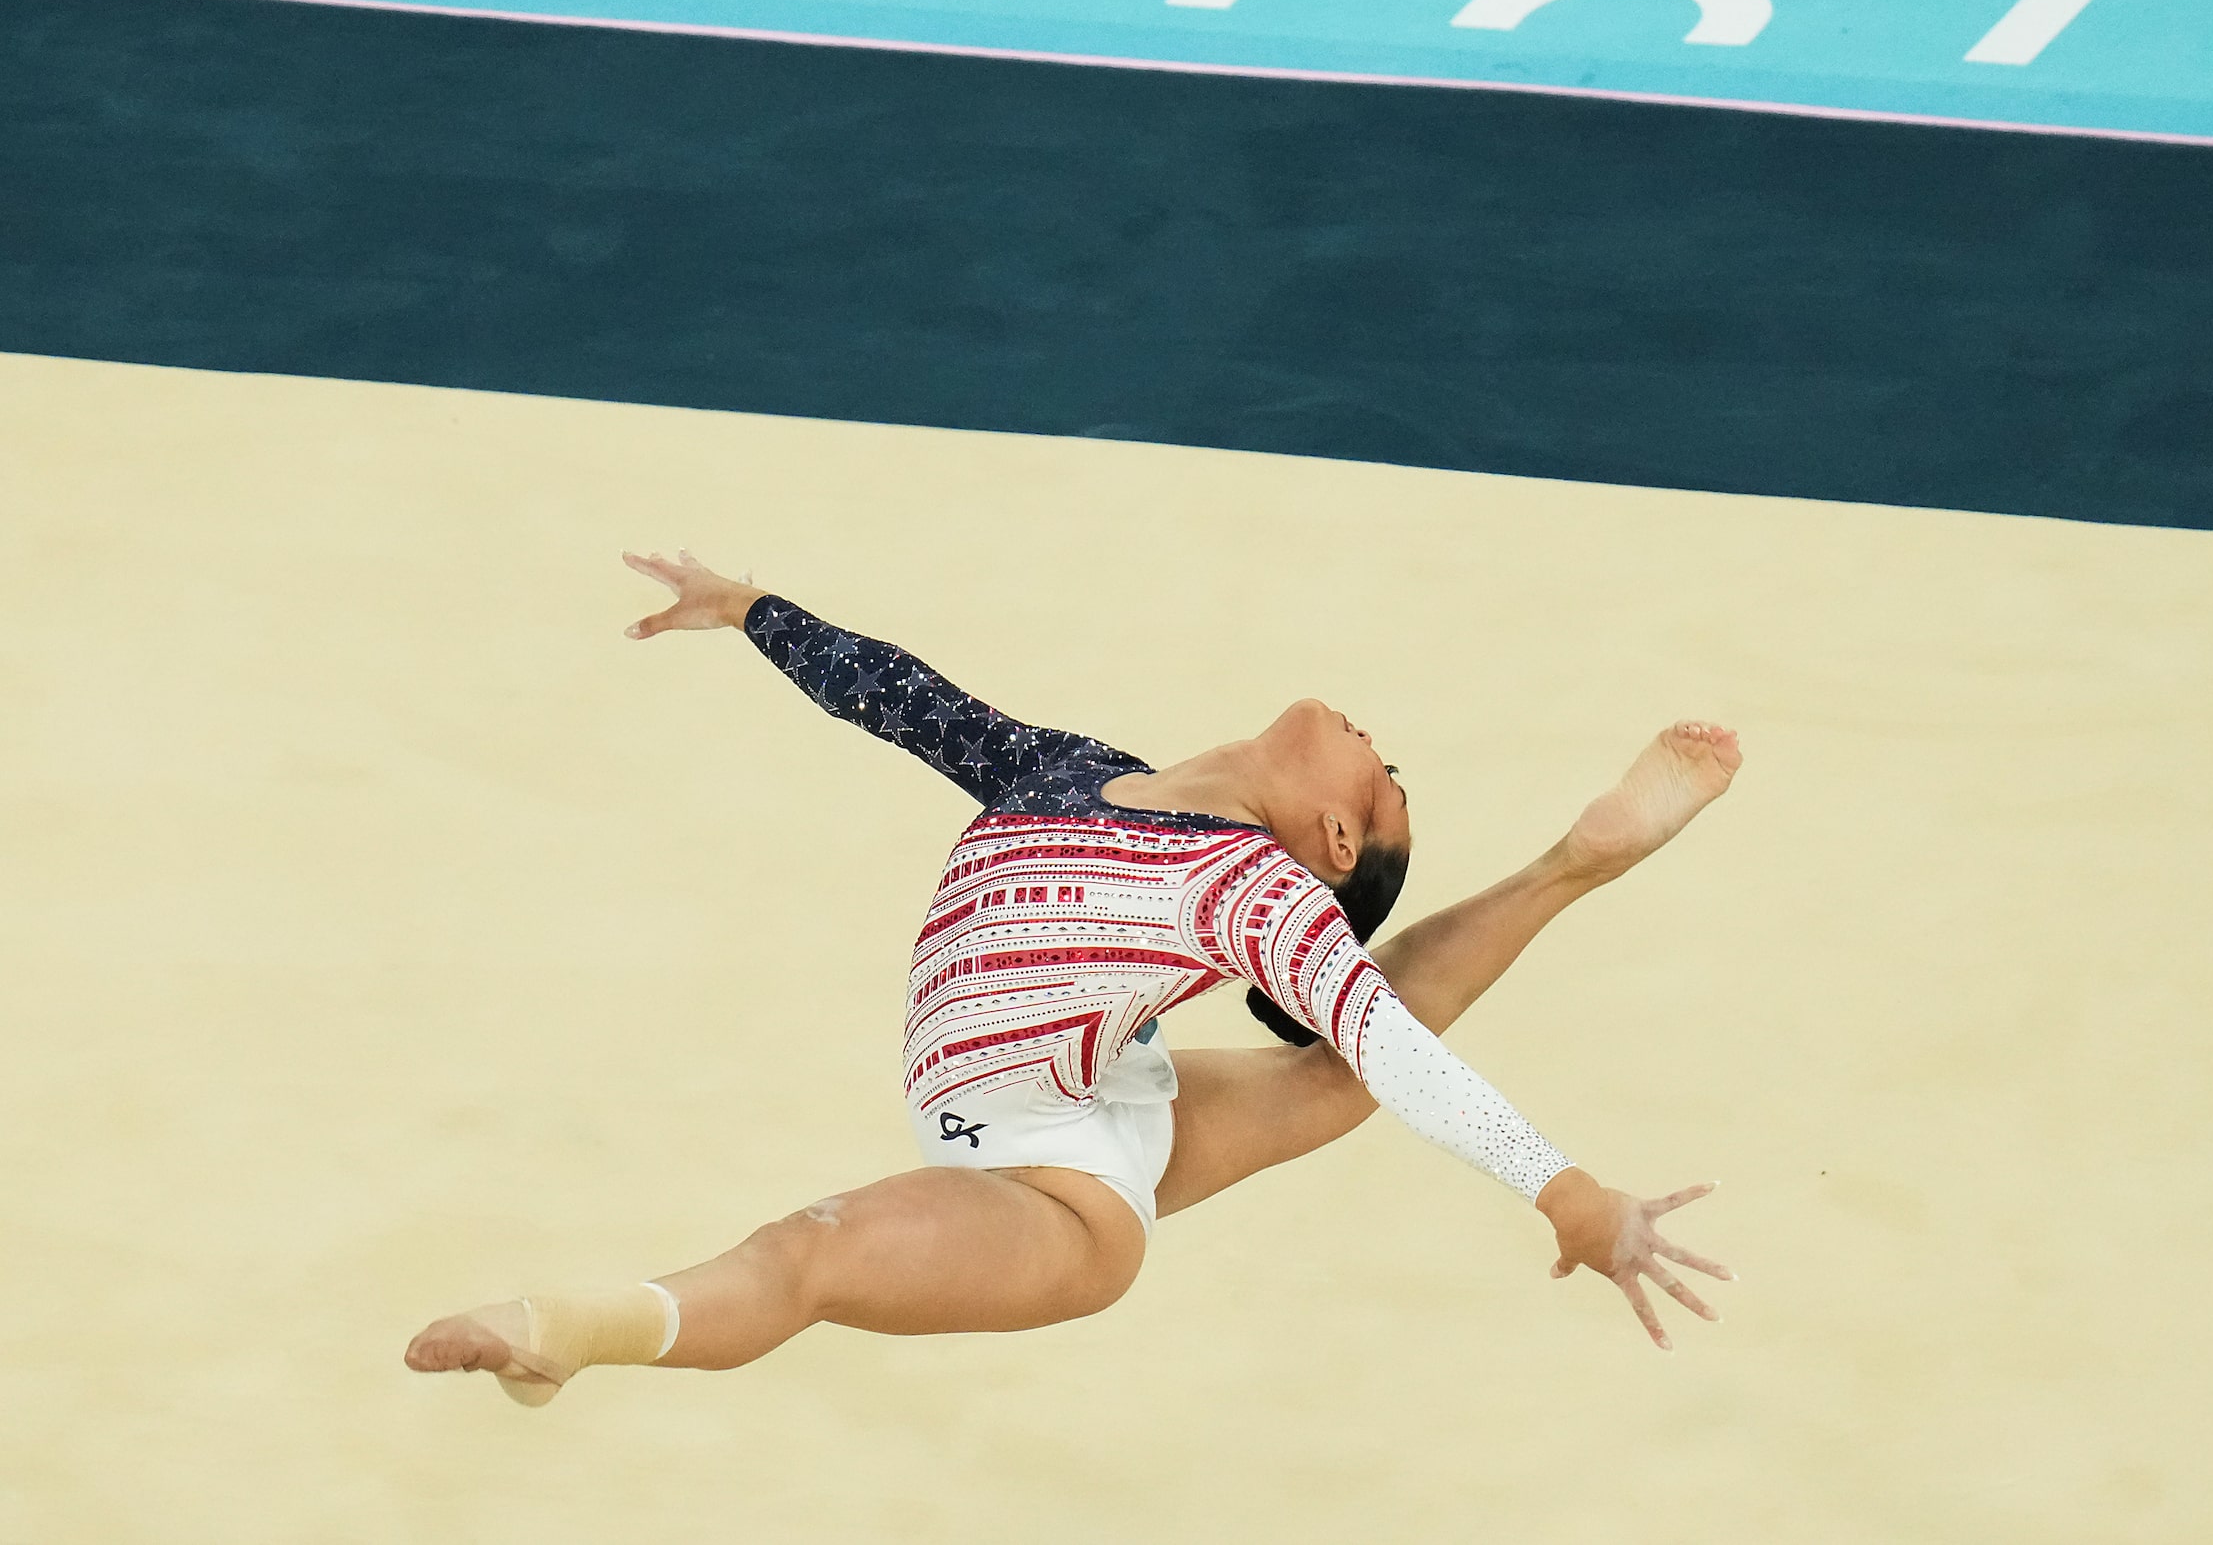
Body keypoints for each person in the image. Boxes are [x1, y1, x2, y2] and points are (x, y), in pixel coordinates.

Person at [404, 550, 1740, 1403]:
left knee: (807, 1256)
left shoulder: (1249, 885)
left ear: (1331, 841)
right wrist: (758, 610)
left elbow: (1393, 1054)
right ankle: (1580, 858)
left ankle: (567, 1326)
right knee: (1322, 1075)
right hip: (1099, 1086)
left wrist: (1564, 1193)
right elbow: (913, 703)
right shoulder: (1080, 769)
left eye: (1380, 780)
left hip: (1062, 1194)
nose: (1373, 740)